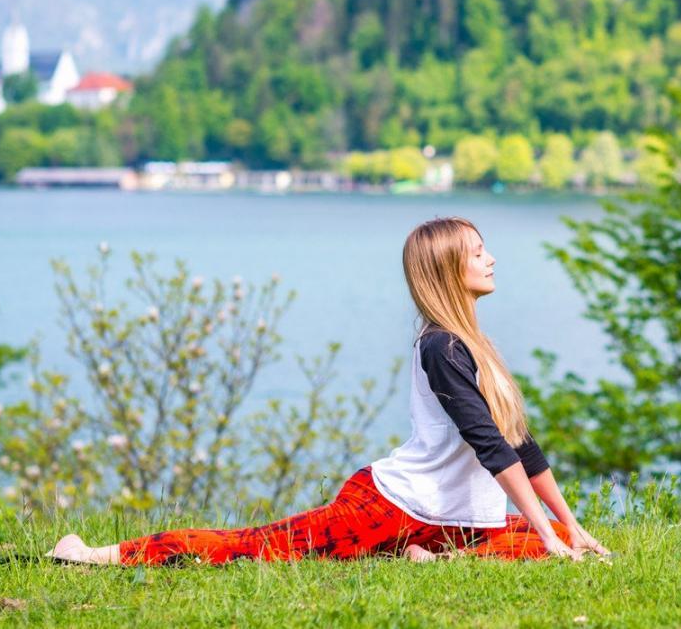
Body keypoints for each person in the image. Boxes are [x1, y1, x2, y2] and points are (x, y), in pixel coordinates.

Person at [46, 217, 609, 565]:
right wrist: (551, 537)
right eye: (477, 251)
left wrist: (571, 530)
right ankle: (99, 554)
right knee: (256, 546)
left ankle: (428, 558)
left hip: (453, 519)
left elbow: (521, 447)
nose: (491, 259)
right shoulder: (442, 348)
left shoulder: (478, 347)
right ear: (445, 267)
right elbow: (490, 448)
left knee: (552, 543)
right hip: (391, 502)